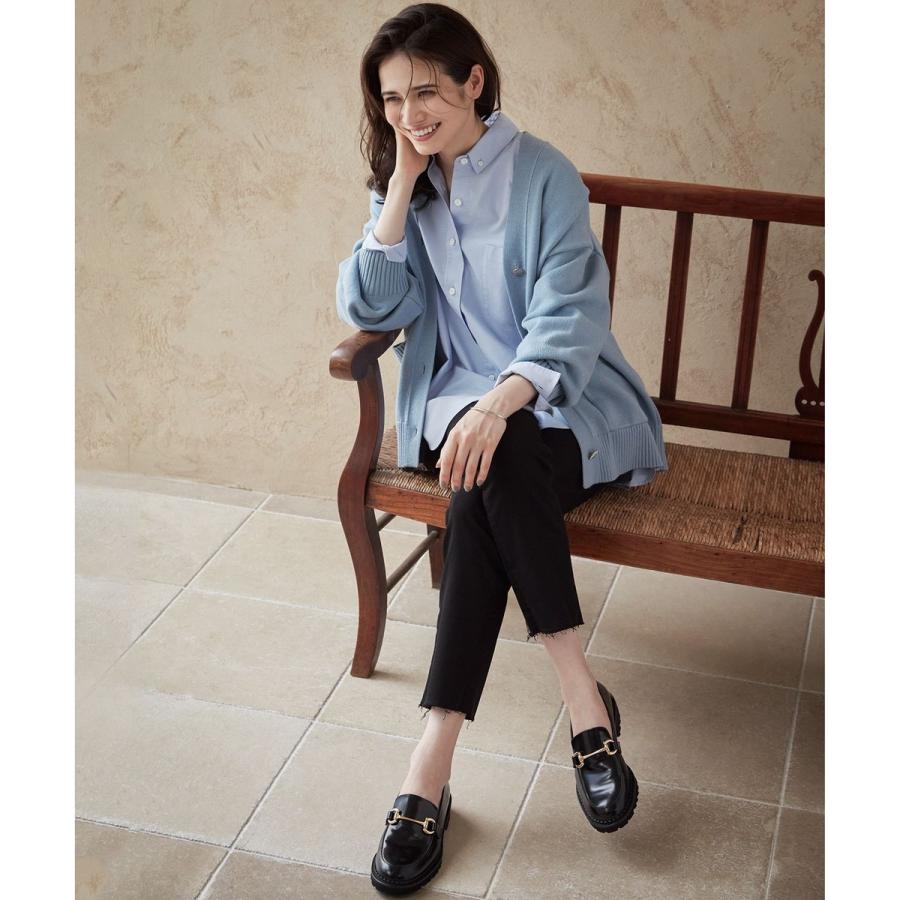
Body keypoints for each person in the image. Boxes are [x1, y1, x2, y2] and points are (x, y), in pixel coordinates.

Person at [335, 4, 668, 892]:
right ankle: (585, 705)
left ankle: (429, 767)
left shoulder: (544, 174)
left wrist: (498, 403)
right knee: (484, 471)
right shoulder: (406, 183)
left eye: (426, 92)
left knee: (492, 462)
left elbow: (571, 316)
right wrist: (399, 192)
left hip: (560, 409)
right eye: (393, 99)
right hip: (465, 423)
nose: (409, 114)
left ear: (473, 81)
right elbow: (369, 307)